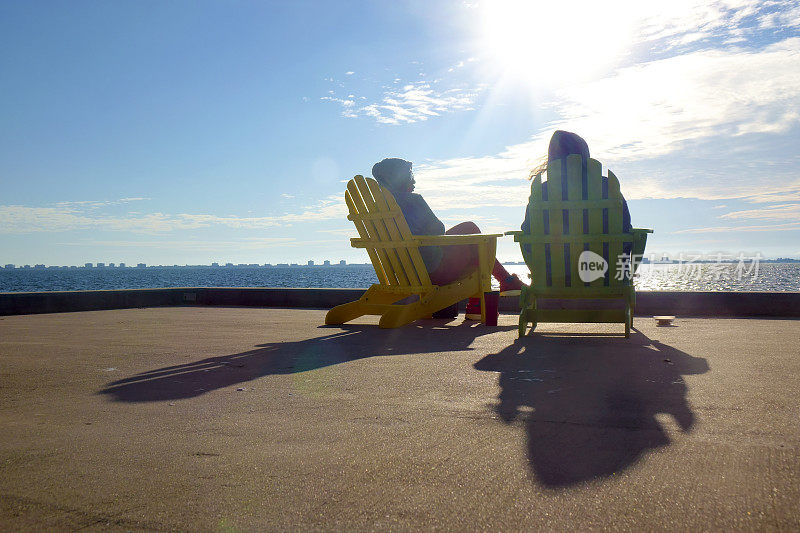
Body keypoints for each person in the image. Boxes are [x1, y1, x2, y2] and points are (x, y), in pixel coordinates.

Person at [371, 157, 524, 319]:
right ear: (398, 179)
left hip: (403, 272)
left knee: (473, 243)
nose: (414, 181)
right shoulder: (413, 201)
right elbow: (438, 230)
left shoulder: (376, 209)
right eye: (410, 176)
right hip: (431, 271)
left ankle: (486, 298)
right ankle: (498, 286)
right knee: (471, 231)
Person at [521, 130, 632, 257]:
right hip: (607, 272)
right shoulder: (608, 187)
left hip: (552, 274)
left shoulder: (541, 192)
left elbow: (528, 238)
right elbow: (626, 231)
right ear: (585, 155)